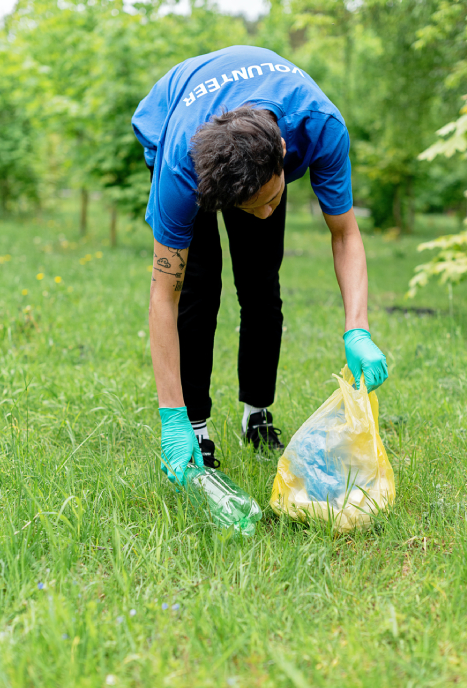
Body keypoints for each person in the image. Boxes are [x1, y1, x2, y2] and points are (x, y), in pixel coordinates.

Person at [132, 45, 388, 485]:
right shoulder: (180, 171)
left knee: (260, 282)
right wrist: (169, 417)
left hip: (263, 130)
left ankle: (257, 412)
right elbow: (163, 294)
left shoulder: (319, 125)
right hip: (173, 116)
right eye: (253, 207)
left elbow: (345, 233)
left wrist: (357, 328)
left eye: (273, 198)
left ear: (284, 153)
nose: (268, 212)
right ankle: (195, 426)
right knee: (196, 289)